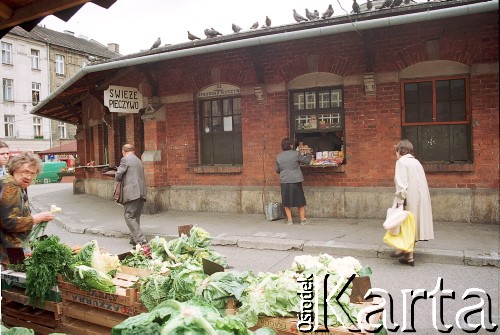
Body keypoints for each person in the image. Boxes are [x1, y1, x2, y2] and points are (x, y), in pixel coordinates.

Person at [0, 152, 55, 268]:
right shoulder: (11, 186)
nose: (29, 177)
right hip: (9, 251)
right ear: (14, 169)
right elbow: (9, 222)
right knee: (14, 280)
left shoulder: (17, 185)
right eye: (25, 172)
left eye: (32, 173)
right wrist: (37, 218)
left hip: (11, 249)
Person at [392, 139, 434, 267]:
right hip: (420, 199)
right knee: (413, 226)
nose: (396, 153)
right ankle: (409, 257)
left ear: (400, 150)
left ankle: (401, 249)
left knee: (403, 225)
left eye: (396, 150)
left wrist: (399, 202)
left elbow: (401, 184)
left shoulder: (401, 162)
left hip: (408, 199)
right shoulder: (416, 162)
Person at [115, 144, 147, 245]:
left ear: (123, 152)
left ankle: (141, 240)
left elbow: (118, 175)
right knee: (136, 216)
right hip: (141, 191)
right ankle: (134, 238)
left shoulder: (125, 160)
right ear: (133, 150)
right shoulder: (139, 160)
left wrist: (116, 173)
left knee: (129, 215)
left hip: (131, 192)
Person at [275, 137, 311, 225]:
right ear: (291, 145)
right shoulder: (296, 154)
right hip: (296, 180)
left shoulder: (278, 156)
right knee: (300, 201)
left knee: (286, 201)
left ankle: (290, 220)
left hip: (285, 180)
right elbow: (307, 161)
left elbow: (277, 170)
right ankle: (302, 220)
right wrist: (308, 153)